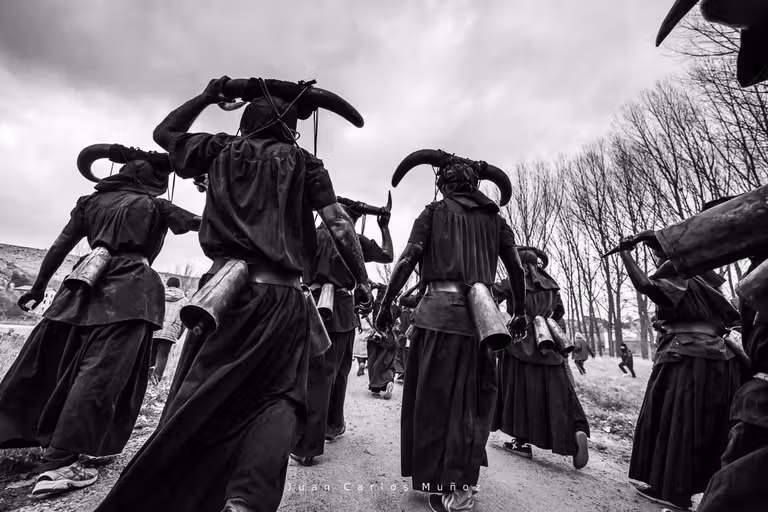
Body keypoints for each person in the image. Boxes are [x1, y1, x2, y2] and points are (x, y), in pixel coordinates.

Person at [94, 76, 371, 512]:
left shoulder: (217, 149)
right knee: (280, 396)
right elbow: (338, 224)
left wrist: (208, 95)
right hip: (282, 299)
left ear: (245, 118)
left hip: (221, 296)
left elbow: (164, 134)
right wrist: (364, 280)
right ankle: (246, 499)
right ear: (289, 126)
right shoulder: (307, 164)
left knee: (201, 395)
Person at [0, 144, 200, 496]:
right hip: (131, 293)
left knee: (53, 364)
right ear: (149, 178)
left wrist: (39, 287)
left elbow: (61, 245)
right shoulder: (155, 205)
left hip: (78, 289)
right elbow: (204, 225)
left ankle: (45, 441)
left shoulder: (90, 203)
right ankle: (60, 463)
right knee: (100, 375)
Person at [375, 148, 527, 512]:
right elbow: (517, 271)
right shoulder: (495, 219)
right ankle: (455, 483)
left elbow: (408, 258)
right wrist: (519, 312)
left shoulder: (434, 213)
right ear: (475, 184)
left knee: (432, 402)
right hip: (481, 325)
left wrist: (386, 303)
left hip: (436, 320)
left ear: (443, 184)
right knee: (469, 404)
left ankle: (447, 483)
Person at [618, 239, 741, 511]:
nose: (654, 259)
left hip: (686, 357)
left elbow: (647, 287)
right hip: (718, 358)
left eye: (656, 253)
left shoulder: (677, 272)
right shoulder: (709, 281)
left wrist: (625, 254)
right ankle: (672, 486)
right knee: (699, 425)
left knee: (678, 421)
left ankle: (675, 493)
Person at [291, 197, 392, 465]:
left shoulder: (310, 235)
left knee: (317, 375)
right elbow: (387, 255)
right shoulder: (357, 241)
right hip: (344, 314)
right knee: (339, 372)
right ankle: (330, 428)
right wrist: (384, 226)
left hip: (311, 308)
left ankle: (310, 441)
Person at [492, 247, 590, 470]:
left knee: (521, 394)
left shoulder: (512, 281)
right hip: (549, 345)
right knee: (558, 394)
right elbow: (559, 313)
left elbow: (490, 294)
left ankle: (521, 442)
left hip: (519, 345)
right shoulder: (553, 285)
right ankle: (576, 431)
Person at [150, 277, 188, 383]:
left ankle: (146, 378)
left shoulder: (159, 295)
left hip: (155, 328)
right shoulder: (184, 300)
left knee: (151, 353)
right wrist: (178, 334)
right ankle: (156, 380)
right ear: (178, 285)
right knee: (163, 356)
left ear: (167, 284)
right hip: (171, 331)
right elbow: (185, 320)